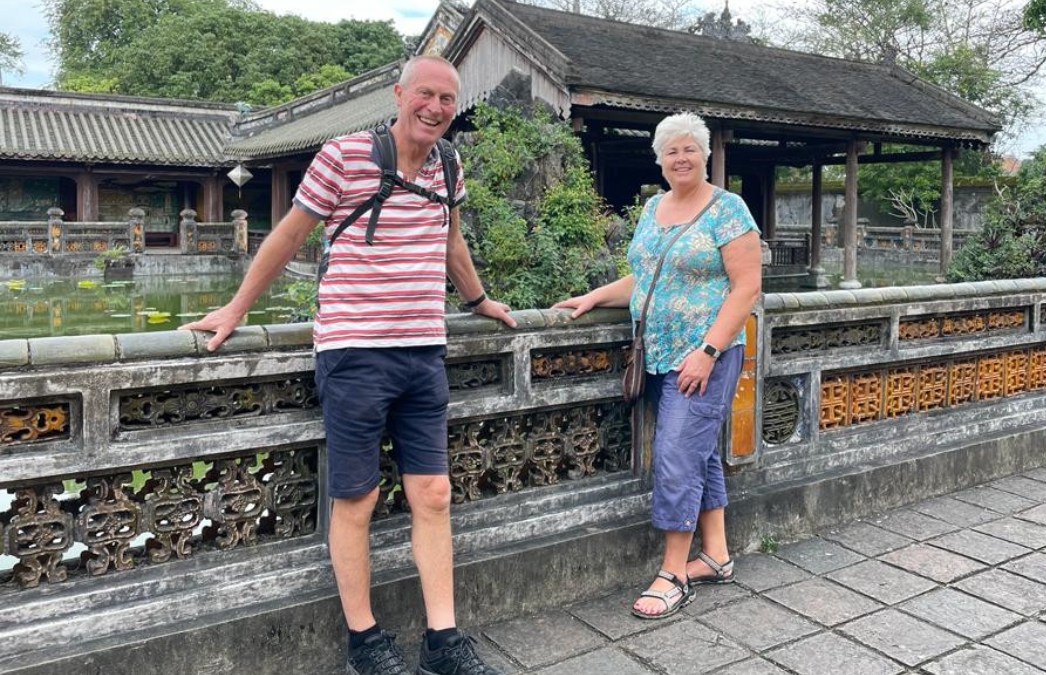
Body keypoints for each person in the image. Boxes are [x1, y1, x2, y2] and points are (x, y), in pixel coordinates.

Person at [181, 55, 514, 675]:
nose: (436, 108)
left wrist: (479, 300)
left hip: (423, 350)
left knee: (434, 494)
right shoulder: (342, 156)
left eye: (447, 98)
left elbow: (450, 241)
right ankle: (365, 641)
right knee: (357, 498)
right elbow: (287, 236)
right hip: (354, 352)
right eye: (425, 95)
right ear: (400, 94)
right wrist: (235, 309)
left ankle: (442, 642)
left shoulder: (449, 164)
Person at [552, 112, 762, 619]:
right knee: (697, 454)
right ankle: (716, 554)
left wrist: (708, 351)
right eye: (672, 151)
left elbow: (747, 287)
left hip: (703, 356)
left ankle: (673, 573)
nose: (681, 158)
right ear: (660, 159)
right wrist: (591, 297)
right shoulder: (653, 207)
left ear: (705, 154)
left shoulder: (727, 210)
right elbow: (645, 276)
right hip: (657, 353)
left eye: (690, 149)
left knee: (674, 455)